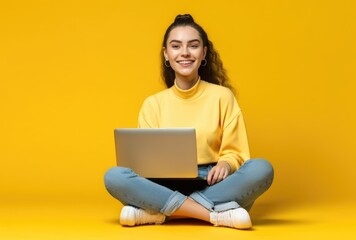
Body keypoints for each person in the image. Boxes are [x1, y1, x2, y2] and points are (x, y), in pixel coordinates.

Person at [104, 14, 274, 229]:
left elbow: (236, 152)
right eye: (176, 46)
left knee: (261, 169)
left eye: (193, 46)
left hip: (211, 182)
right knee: (114, 176)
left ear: (203, 53)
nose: (184, 53)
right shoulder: (153, 104)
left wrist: (225, 163)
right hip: (162, 184)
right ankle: (215, 215)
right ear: (166, 54)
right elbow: (143, 163)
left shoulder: (222, 96)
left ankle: (158, 213)